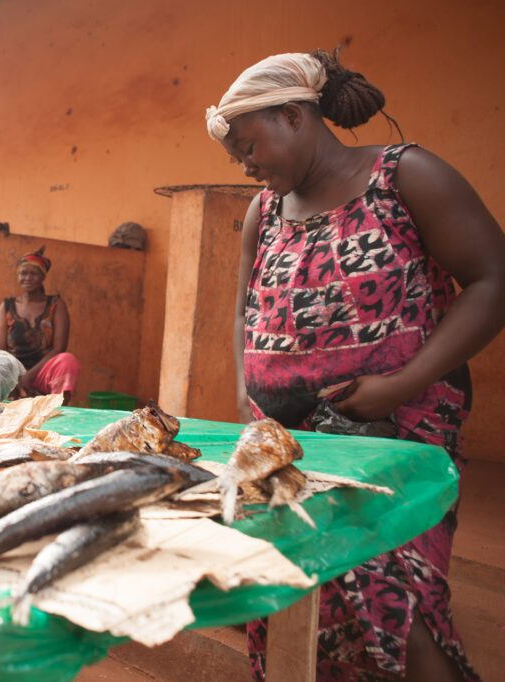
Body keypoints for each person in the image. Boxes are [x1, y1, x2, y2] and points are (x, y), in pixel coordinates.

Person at [211, 50, 505, 680]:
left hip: (392, 435)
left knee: (392, 594)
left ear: (293, 115)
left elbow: (492, 281)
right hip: (287, 444)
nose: (244, 162)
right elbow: (242, 313)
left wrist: (400, 384)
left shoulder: (405, 176)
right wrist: (244, 392)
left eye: (248, 144)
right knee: (287, 587)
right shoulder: (263, 212)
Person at [0, 247, 80, 404]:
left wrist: (29, 375)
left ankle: (58, 408)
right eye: (23, 273)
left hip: (43, 371)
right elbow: (0, 350)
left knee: (68, 360)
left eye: (33, 273)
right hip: (13, 372)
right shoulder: (7, 306)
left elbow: (59, 348)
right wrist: (16, 376)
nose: (27, 278)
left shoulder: (56, 305)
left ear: (42, 277)